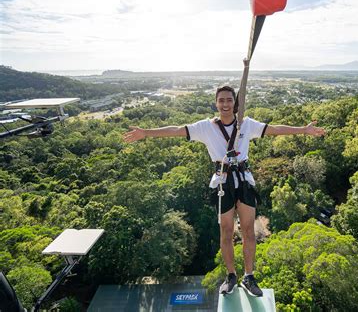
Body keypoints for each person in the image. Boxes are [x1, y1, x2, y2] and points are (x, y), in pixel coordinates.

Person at [123, 85, 325, 297]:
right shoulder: (205, 127)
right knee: (226, 232)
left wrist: (304, 129)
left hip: (244, 180)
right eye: (222, 100)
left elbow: (274, 129)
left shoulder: (246, 124)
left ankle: (249, 276)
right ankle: (231, 276)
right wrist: (145, 133)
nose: (226, 104)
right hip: (222, 182)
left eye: (229, 100)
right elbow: (175, 130)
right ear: (216, 103)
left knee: (248, 231)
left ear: (235, 103)